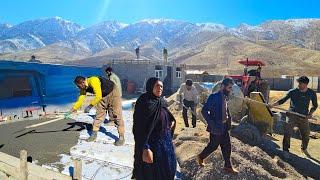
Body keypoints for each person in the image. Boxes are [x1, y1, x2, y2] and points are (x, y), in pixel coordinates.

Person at [132, 77, 177, 180]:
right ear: (150, 86)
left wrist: (170, 121)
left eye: (161, 86)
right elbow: (138, 128)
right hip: (153, 146)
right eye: (157, 86)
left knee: (169, 170)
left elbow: (164, 115)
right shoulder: (144, 103)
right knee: (153, 174)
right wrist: (145, 147)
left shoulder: (161, 101)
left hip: (166, 144)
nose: (160, 88)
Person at [197, 77, 239, 174]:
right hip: (216, 127)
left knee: (227, 146)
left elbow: (226, 111)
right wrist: (212, 124)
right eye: (229, 87)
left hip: (224, 127)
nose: (230, 90)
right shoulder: (213, 97)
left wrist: (229, 121)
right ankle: (200, 157)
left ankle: (228, 166)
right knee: (213, 146)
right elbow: (204, 111)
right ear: (222, 86)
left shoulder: (225, 97)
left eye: (231, 88)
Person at [70, 76, 125, 146]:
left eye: (78, 86)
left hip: (113, 92)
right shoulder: (83, 87)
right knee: (99, 114)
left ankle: (121, 137)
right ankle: (94, 133)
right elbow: (81, 98)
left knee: (117, 115)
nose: (78, 87)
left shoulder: (93, 80)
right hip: (103, 95)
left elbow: (98, 96)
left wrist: (90, 106)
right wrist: (74, 108)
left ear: (83, 82)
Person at [269, 76, 318, 153]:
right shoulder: (292, 91)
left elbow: (315, 105)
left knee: (306, 135)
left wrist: (310, 113)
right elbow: (283, 100)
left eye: (300, 83)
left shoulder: (311, 93)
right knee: (287, 133)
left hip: (303, 116)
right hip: (291, 115)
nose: (298, 85)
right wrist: (273, 105)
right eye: (298, 83)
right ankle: (285, 150)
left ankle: (303, 148)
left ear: (306, 84)